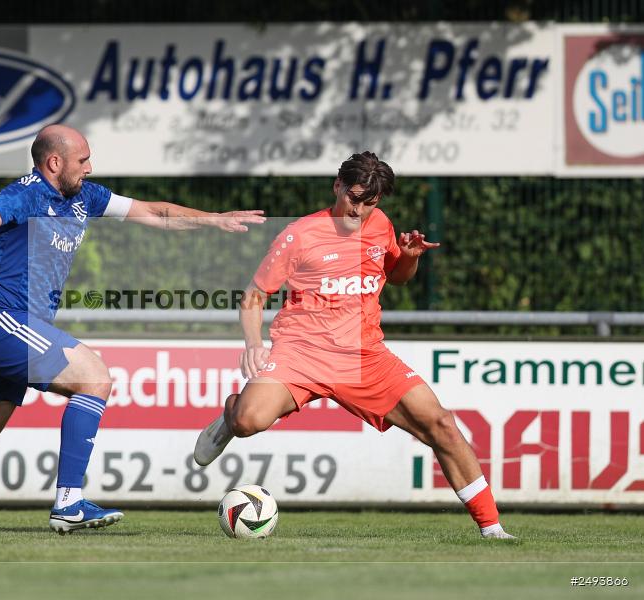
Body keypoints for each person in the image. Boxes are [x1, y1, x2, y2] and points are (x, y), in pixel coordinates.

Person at [0, 124, 264, 535]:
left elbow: (154, 212)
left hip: (4, 328)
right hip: (2, 319)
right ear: (54, 163)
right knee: (94, 376)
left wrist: (214, 219)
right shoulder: (27, 193)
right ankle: (69, 504)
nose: (90, 168)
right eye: (83, 160)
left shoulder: (84, 198)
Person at [194, 151, 515, 540]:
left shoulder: (380, 225)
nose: (359, 210)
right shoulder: (298, 235)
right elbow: (254, 296)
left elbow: (396, 277)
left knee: (440, 424)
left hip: (365, 356)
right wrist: (254, 344)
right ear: (337, 186)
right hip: (302, 352)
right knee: (248, 421)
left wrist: (410, 259)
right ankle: (231, 414)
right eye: (354, 197)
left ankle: (493, 529)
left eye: (370, 203)